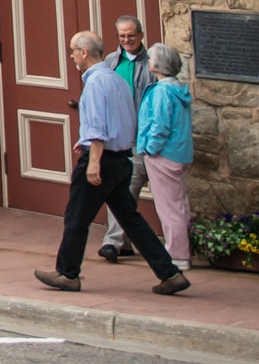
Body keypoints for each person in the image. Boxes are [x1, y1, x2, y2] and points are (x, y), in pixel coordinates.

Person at [35, 31, 187, 295]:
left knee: (77, 216)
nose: (71, 56)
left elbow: (97, 127)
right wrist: (89, 144)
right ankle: (169, 272)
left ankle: (68, 273)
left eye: (72, 51)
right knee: (131, 219)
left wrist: (93, 159)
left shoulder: (95, 83)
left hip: (102, 160)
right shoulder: (116, 80)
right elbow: (124, 122)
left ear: (84, 52)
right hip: (121, 159)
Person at [97, 14, 156, 265]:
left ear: (141, 35)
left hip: (142, 137)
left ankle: (114, 241)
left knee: (127, 188)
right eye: (122, 36)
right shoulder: (110, 61)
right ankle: (119, 242)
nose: (126, 40)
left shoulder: (152, 62)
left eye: (131, 36)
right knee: (121, 189)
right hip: (118, 136)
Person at [136, 43, 194, 265]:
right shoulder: (177, 88)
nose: (149, 62)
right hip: (180, 154)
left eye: (151, 59)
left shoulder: (162, 91)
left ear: (158, 65)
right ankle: (181, 249)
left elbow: (160, 125)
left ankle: (177, 255)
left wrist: (150, 148)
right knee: (179, 204)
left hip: (165, 155)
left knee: (169, 208)